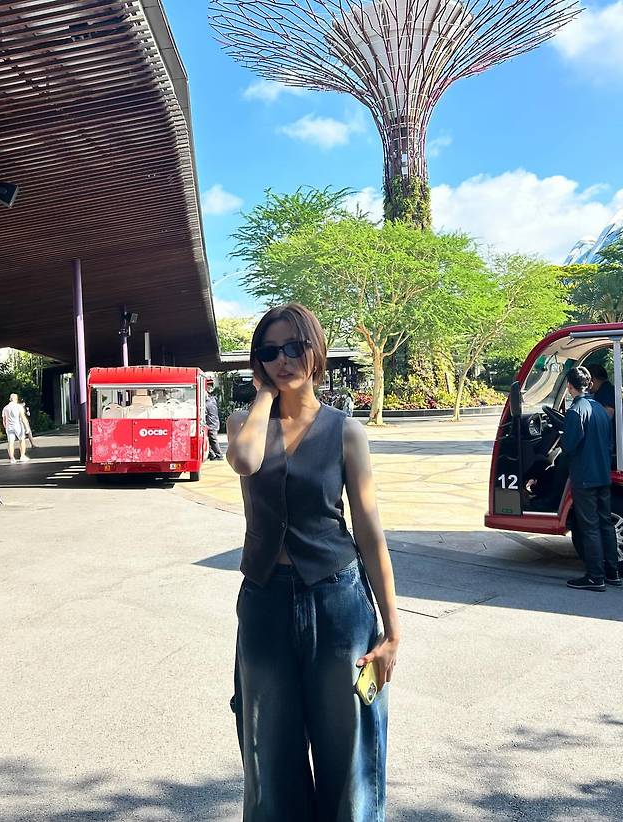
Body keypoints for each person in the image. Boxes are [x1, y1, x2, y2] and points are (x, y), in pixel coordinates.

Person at [226, 303, 398, 821]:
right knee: (268, 753)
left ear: (314, 349)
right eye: (269, 351)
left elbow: (369, 531)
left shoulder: (345, 431)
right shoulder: (244, 424)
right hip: (265, 600)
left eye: (293, 346)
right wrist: (264, 394)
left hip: (337, 599)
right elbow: (245, 461)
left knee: (350, 751)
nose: (283, 359)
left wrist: (393, 631)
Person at [560, 366, 620, 590]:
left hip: (584, 476)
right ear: (589, 384)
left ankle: (595, 576)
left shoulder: (576, 412)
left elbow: (569, 446)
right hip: (603, 474)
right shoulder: (599, 409)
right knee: (606, 524)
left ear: (569, 386)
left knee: (589, 526)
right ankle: (612, 572)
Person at [2, 393, 29, 463]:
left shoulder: (5, 408)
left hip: (9, 426)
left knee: (10, 442)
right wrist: (27, 427)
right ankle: (22, 456)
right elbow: (23, 417)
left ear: (10, 399)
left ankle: (12, 458)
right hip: (18, 425)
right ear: (16, 399)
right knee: (22, 440)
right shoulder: (19, 407)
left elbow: (4, 419)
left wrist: (5, 427)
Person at [205, 380, 223, 460]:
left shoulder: (207, 403)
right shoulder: (213, 400)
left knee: (213, 440)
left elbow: (205, 412)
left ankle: (219, 455)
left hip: (211, 424)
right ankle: (212, 455)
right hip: (214, 423)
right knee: (209, 440)